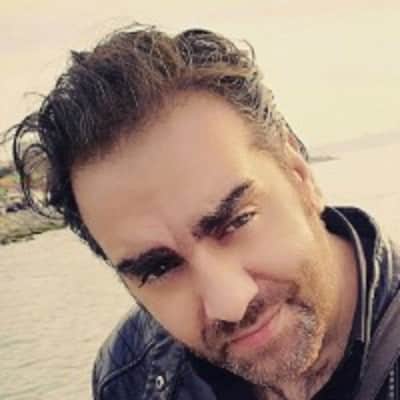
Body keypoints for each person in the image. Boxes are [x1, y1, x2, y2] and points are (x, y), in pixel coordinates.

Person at [7, 25, 400, 400]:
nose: (231, 302)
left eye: (238, 220)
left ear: (299, 176)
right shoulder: (130, 376)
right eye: (159, 268)